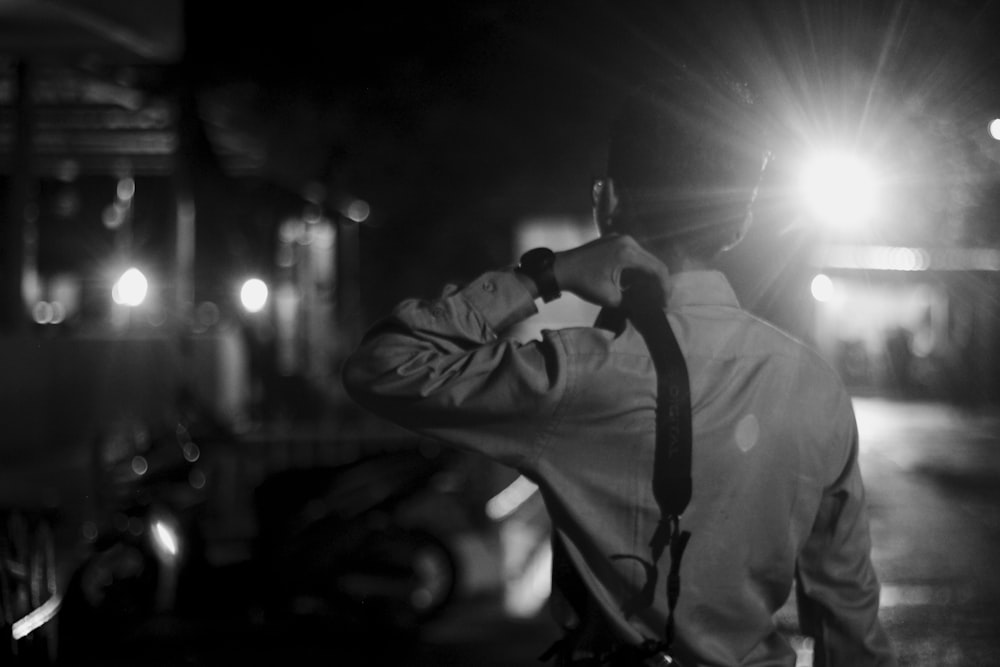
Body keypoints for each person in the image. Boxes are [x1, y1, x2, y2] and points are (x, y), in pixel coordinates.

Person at [342, 63, 897, 666]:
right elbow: (849, 618)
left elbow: (383, 364)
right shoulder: (816, 386)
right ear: (742, 218)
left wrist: (543, 274)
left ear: (608, 201)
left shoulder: (579, 374)